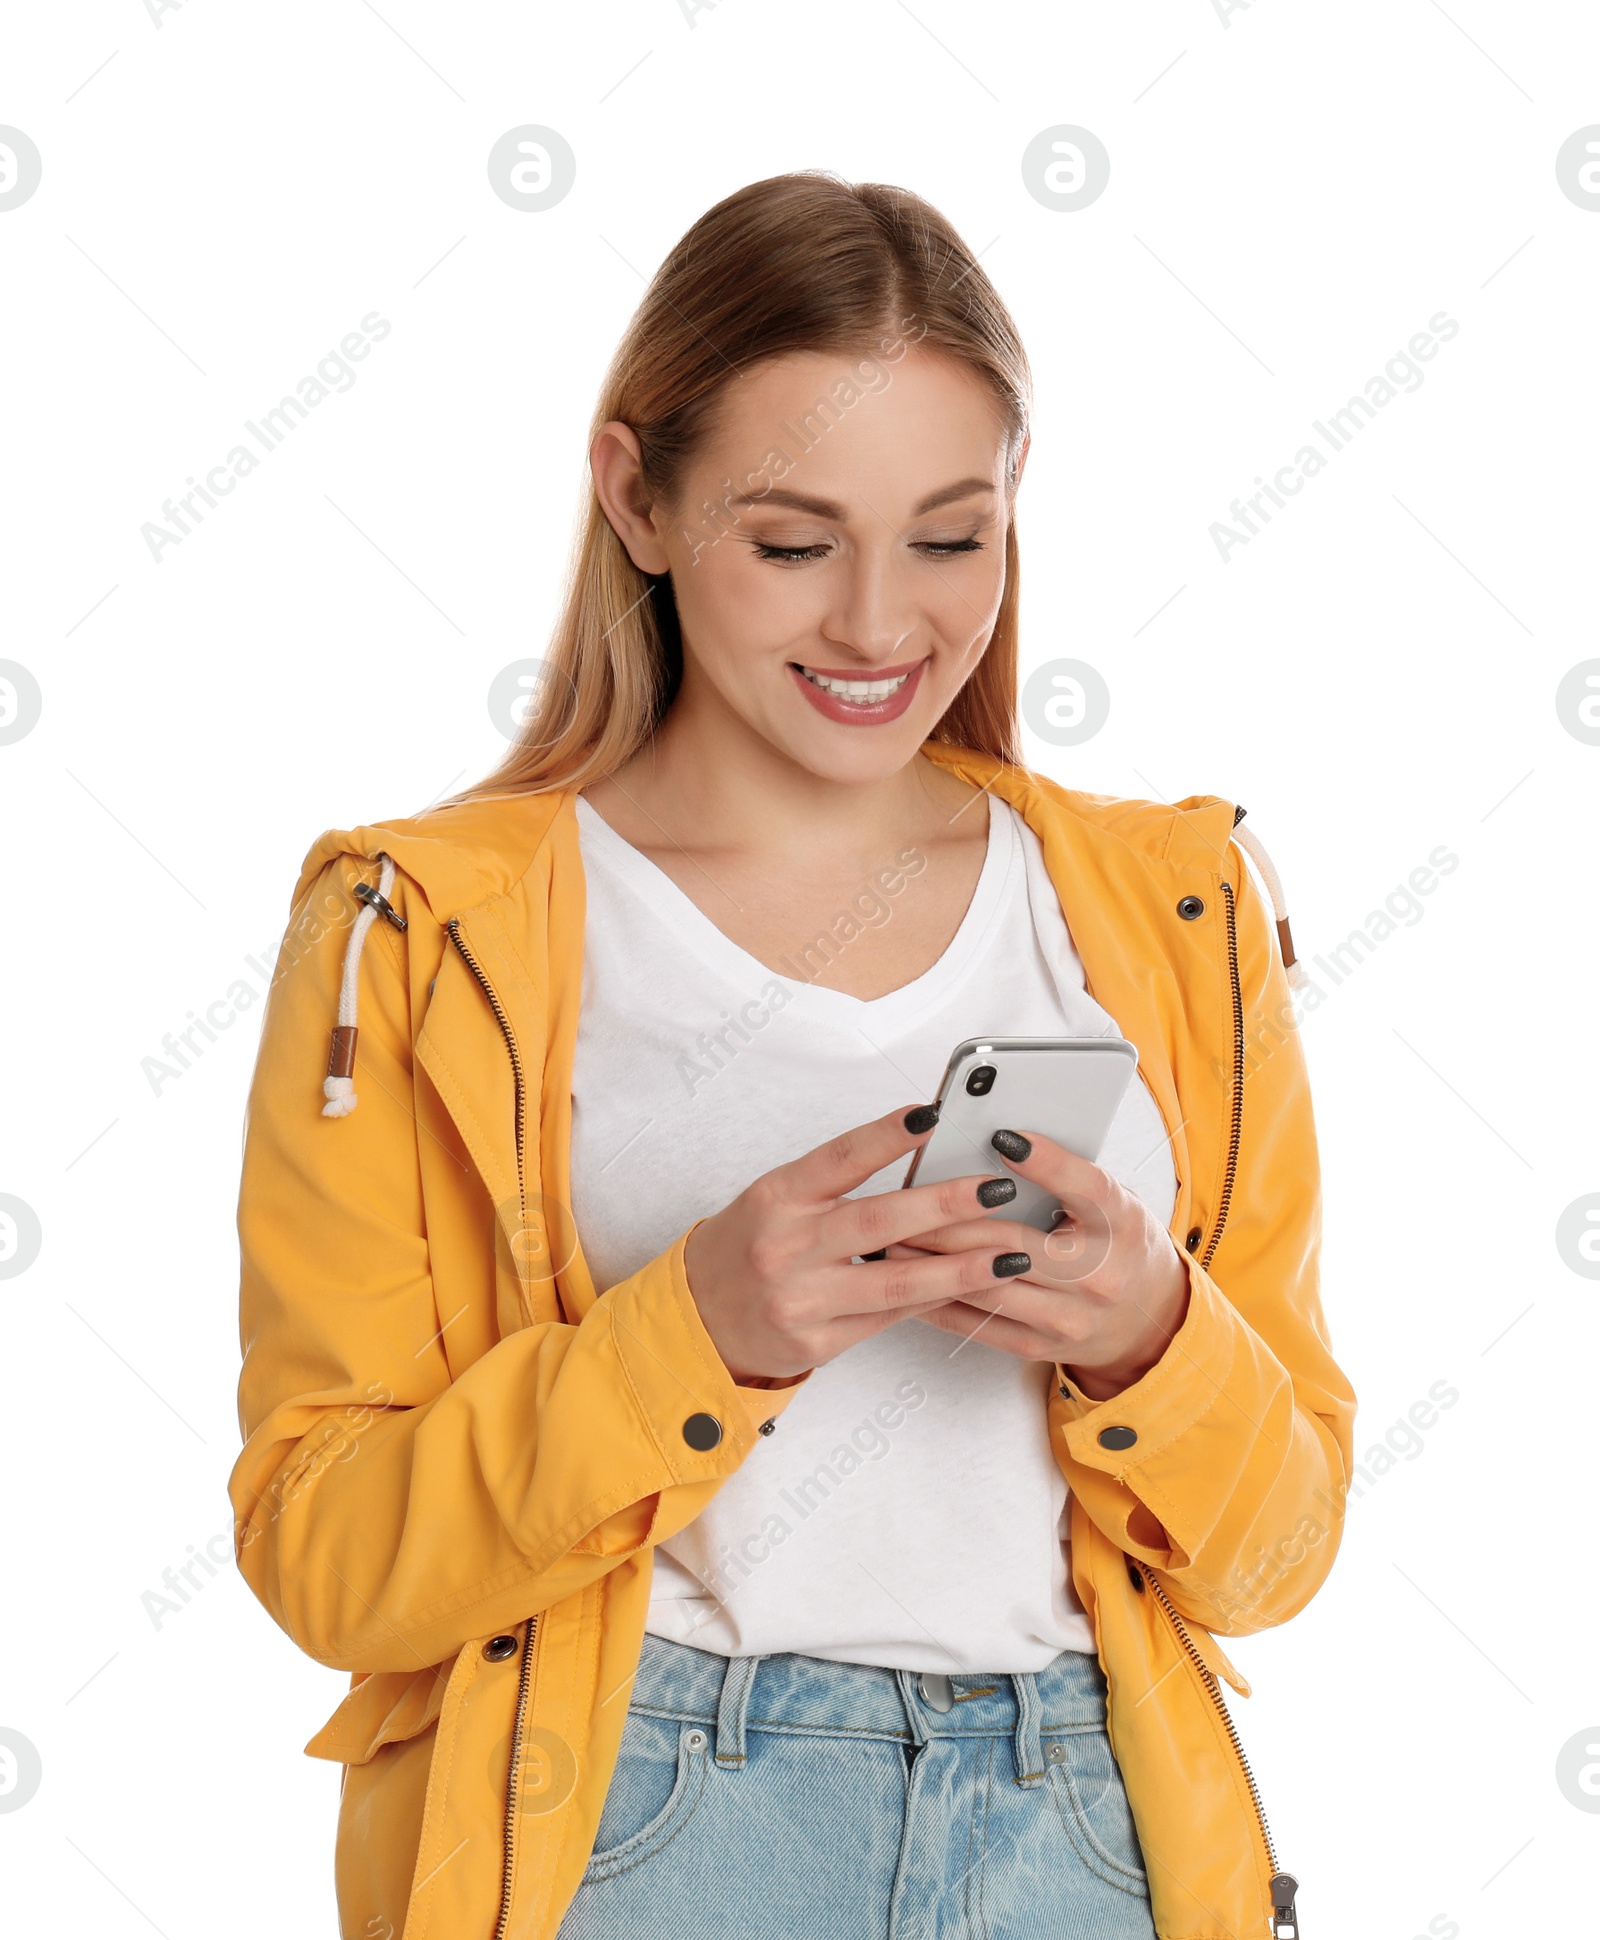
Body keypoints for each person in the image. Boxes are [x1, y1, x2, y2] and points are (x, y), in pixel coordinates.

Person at [229, 172, 1356, 1940]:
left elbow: (1282, 1553)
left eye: (949, 533)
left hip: (1087, 1823)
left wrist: (1152, 1337)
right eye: (791, 540)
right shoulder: (420, 935)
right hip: (636, 1822)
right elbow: (328, 1551)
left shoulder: (1176, 913)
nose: (880, 626)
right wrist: (691, 1338)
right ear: (638, 499)